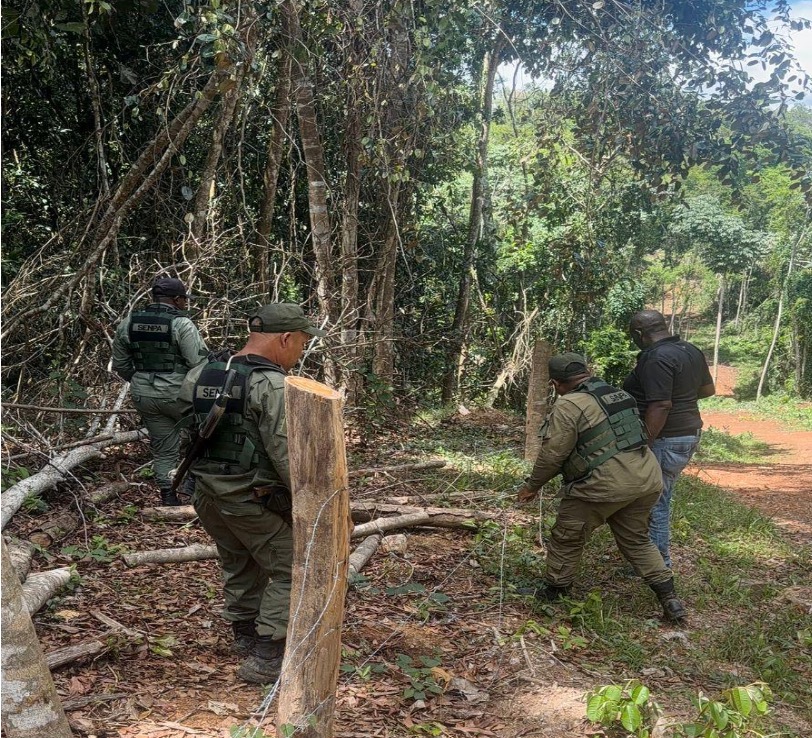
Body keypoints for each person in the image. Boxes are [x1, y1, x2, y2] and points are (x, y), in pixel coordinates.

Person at [176, 303, 325, 684]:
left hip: (207, 494)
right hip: (250, 497)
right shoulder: (272, 385)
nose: (300, 353)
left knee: (239, 560)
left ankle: (244, 634)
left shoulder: (203, 372)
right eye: (301, 343)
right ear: (285, 338)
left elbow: (185, 427)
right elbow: (286, 453)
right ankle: (266, 656)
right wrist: (311, 505)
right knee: (293, 568)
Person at [515, 353, 685, 622]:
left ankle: (555, 590)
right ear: (586, 372)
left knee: (567, 536)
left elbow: (553, 453)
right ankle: (670, 598)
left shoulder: (568, 404)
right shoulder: (618, 394)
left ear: (556, 384)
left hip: (603, 486)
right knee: (637, 540)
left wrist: (532, 486)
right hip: (645, 479)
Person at [623, 310, 715, 569]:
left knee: (654, 503)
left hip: (664, 438)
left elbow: (661, 405)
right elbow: (708, 390)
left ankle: (656, 566)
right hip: (686, 434)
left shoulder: (655, 357)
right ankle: (650, 561)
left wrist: (645, 442)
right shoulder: (689, 350)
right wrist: (682, 396)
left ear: (639, 333)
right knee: (653, 498)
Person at [112, 277, 208, 506]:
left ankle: (168, 496)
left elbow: (121, 364)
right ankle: (193, 484)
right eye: (184, 299)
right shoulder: (181, 324)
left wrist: (140, 380)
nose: (185, 303)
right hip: (179, 395)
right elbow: (199, 363)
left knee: (164, 447)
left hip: (144, 395)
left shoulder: (128, 322)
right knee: (205, 437)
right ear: (176, 299)